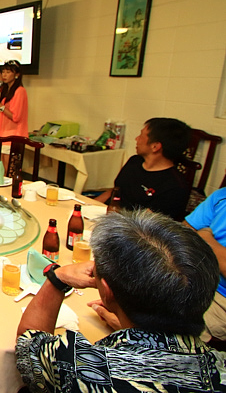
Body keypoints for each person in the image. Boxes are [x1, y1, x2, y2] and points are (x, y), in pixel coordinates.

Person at [16, 210, 226, 392]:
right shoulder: (220, 367)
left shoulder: (86, 368)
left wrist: (57, 278)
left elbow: (29, 342)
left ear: (106, 293)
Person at [95, 117, 191, 221]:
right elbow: (115, 191)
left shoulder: (174, 187)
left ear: (155, 146)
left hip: (130, 228)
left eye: (141, 135)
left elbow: (143, 223)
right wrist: (87, 206)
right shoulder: (135, 161)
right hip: (107, 217)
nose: (137, 139)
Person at [186, 188, 226, 344]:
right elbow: (185, 234)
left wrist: (205, 238)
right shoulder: (221, 196)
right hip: (194, 276)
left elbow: (197, 235)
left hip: (220, 296)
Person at [0, 58, 28, 170]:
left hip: (14, 136)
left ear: (16, 75)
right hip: (3, 135)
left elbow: (16, 117)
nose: (4, 75)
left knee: (10, 170)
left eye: (8, 72)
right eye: (3, 71)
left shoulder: (20, 91)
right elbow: (0, 80)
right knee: (3, 169)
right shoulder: (7, 89)